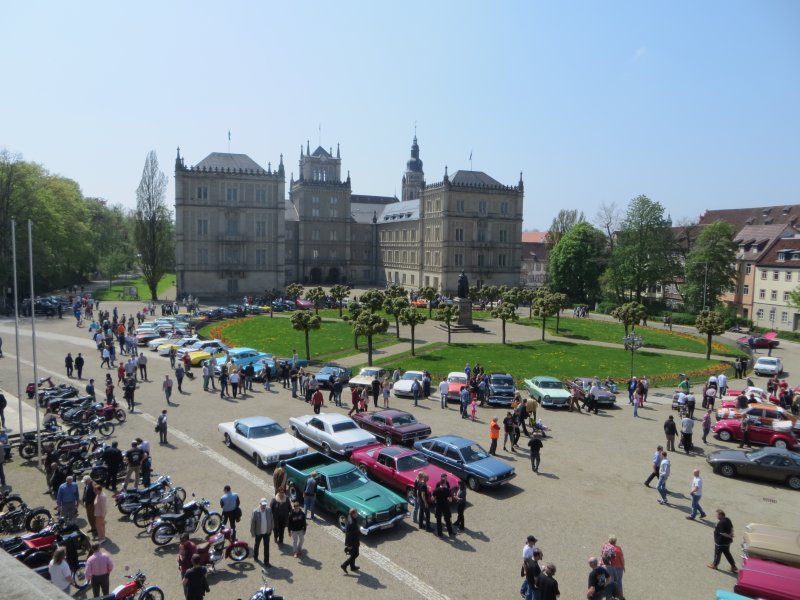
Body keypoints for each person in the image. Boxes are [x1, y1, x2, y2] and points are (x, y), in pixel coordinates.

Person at [250, 498, 274, 566]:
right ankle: (255, 557)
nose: (264, 506)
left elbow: (272, 520)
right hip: (258, 533)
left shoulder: (269, 510)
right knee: (257, 545)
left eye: (265, 505)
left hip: (267, 532)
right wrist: (253, 533)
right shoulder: (255, 512)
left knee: (266, 547)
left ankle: (266, 562)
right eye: (263, 505)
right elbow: (252, 523)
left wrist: (271, 529)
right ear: (260, 504)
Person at [602, 536, 625, 600]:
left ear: (609, 541)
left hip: (608, 567)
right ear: (615, 541)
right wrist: (623, 566)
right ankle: (620, 596)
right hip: (618, 568)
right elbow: (622, 559)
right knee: (619, 582)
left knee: (609, 582)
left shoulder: (605, 546)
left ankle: (609, 596)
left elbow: (602, 556)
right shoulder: (618, 549)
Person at [432, 473, 454, 538]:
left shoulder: (436, 490)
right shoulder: (447, 490)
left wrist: (435, 498)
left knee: (438, 521)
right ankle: (450, 533)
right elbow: (450, 500)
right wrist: (448, 498)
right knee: (447, 520)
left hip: (438, 506)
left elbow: (432, 499)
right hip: (445, 506)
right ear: (444, 483)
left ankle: (440, 534)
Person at [341, 507, 361, 573]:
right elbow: (350, 535)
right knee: (356, 554)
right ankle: (344, 565)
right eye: (356, 512)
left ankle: (352, 567)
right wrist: (349, 545)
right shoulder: (351, 523)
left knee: (353, 554)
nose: (357, 513)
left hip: (353, 541)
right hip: (353, 542)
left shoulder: (350, 517)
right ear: (353, 514)